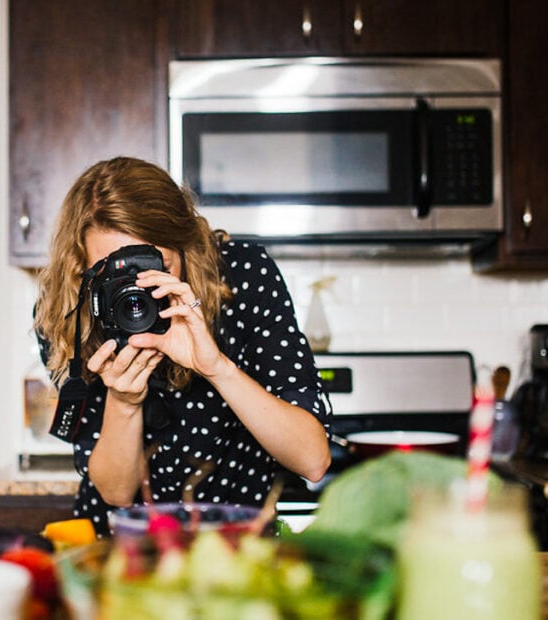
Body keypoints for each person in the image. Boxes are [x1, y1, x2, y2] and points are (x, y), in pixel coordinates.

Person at [34, 156, 331, 535]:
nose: (137, 291)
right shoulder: (71, 308)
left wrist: (217, 367)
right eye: (113, 275)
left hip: (236, 550)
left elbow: (313, 460)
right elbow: (115, 492)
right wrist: (123, 402)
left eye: (156, 268)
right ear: (84, 267)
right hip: (122, 551)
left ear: (185, 246)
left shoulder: (243, 276)